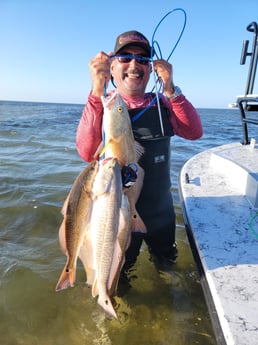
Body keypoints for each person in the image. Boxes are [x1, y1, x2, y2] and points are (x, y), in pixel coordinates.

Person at [76, 30, 203, 274]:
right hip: (117, 214)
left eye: (143, 60)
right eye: (125, 58)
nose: (134, 64)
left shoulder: (163, 103)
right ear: (112, 68)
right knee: (117, 275)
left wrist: (170, 87)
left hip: (161, 213)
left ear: (151, 69)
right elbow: (86, 152)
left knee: (168, 267)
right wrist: (96, 89)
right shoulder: (103, 104)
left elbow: (194, 132)